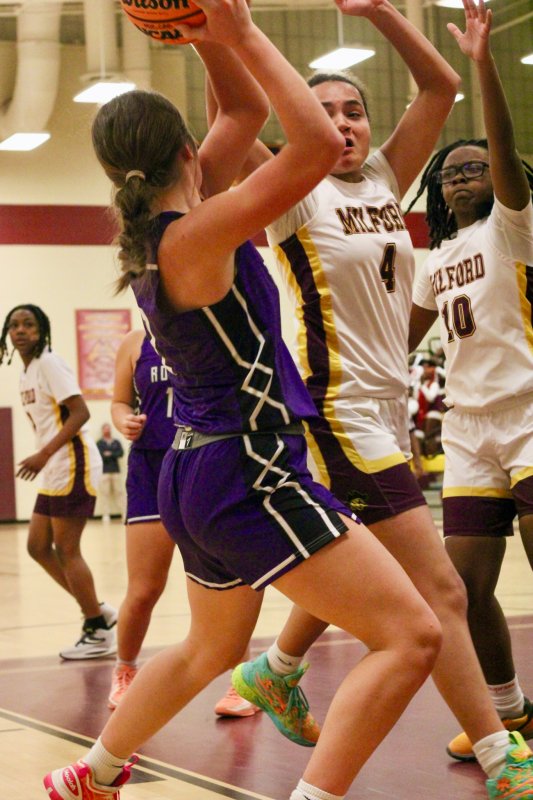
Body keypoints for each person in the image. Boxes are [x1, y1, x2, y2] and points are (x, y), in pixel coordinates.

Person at [42, 1, 444, 798]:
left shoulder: (174, 224)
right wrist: (246, 32)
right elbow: (313, 146)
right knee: (411, 635)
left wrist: (207, 36)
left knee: (209, 650)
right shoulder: (197, 232)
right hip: (248, 469)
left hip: (197, 473)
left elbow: (246, 112)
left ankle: (91, 774)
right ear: (188, 152)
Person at [227, 0, 533, 794]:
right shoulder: (294, 188)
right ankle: (502, 754)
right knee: (439, 592)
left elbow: (436, 87)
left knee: (372, 566)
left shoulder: (388, 178)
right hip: (337, 408)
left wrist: (378, 11)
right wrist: (220, 34)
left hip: (389, 408)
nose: (342, 123)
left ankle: (275, 669)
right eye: (323, 111)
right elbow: (237, 111)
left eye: (353, 110)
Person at [408, 0, 533, 765]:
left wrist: (481, 65)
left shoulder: (513, 226)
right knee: (461, 586)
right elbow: (398, 341)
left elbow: (506, 150)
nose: (460, 179)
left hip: (528, 414)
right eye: (450, 172)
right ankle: (511, 714)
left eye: (473, 168)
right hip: (468, 430)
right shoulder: (437, 258)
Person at [108, 328, 259, 718]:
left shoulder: (212, 326)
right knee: (144, 588)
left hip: (207, 457)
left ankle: (243, 681)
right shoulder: (134, 343)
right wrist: (124, 420)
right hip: (151, 465)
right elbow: (119, 402)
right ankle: (125, 671)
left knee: (230, 578)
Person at [0, 304, 117, 660]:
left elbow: (81, 412)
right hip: (54, 467)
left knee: (67, 549)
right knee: (37, 546)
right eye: (14, 325)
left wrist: (44, 453)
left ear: (42, 330)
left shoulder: (50, 363)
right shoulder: (27, 372)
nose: (21, 330)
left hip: (72, 462)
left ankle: (97, 628)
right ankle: (98, 609)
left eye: (29, 324)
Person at [96, 422, 125, 522]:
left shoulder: (116, 442)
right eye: (105, 429)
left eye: (108, 428)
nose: (107, 430)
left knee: (119, 492)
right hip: (104, 472)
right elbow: (99, 455)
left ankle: (124, 513)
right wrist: (111, 454)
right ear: (102, 430)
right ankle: (106, 515)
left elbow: (120, 453)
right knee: (105, 494)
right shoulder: (99, 443)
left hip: (116, 471)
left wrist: (110, 454)